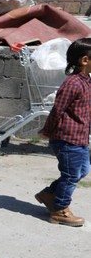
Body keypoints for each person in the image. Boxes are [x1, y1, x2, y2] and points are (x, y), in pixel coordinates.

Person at [34, 38, 91, 227]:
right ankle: (59, 210)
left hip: (80, 138)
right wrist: (47, 130)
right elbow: (58, 109)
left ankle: (49, 194)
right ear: (84, 60)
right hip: (67, 139)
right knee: (71, 175)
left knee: (82, 171)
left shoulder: (87, 82)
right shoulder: (73, 83)